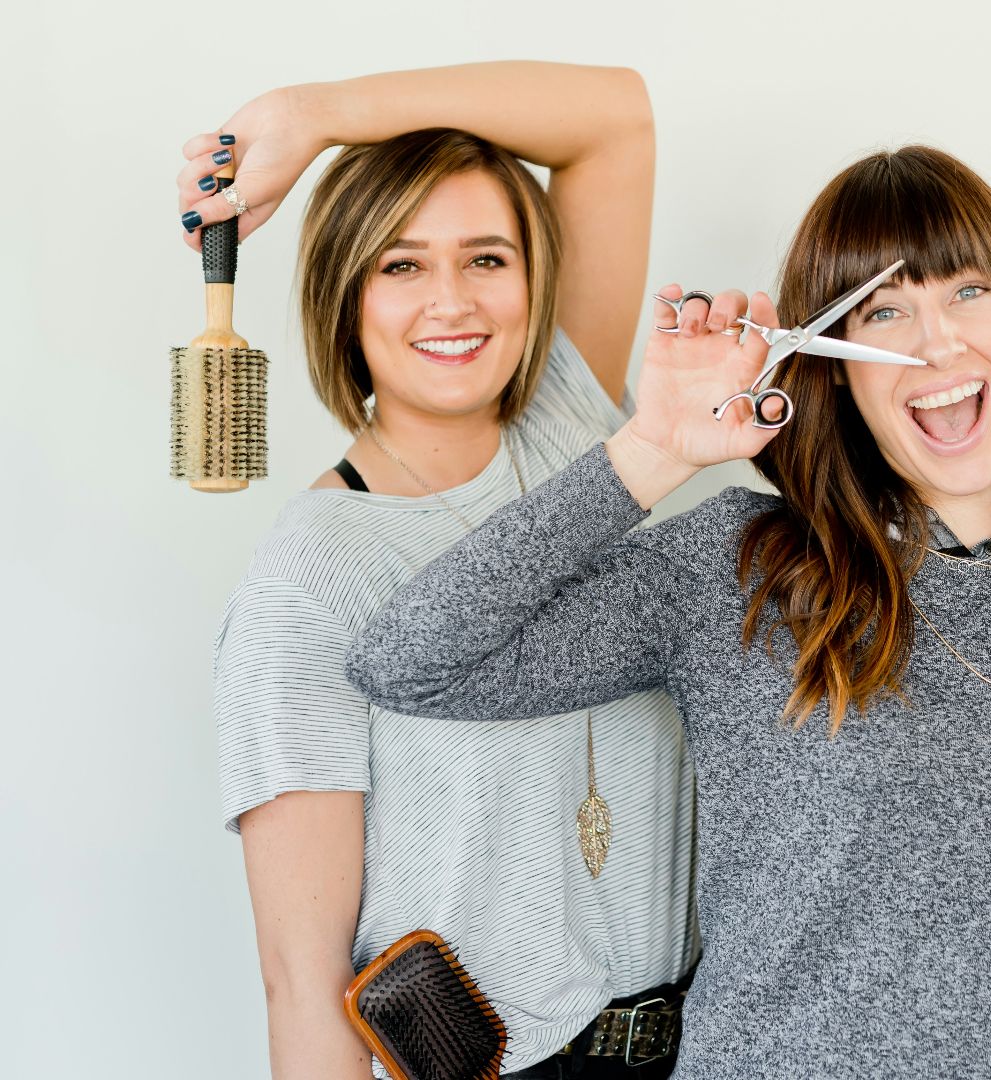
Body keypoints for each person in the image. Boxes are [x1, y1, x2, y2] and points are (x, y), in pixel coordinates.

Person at [345, 145, 991, 1079]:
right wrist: (653, 449)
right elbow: (412, 661)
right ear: (836, 367)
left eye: (969, 292)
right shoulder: (739, 570)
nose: (936, 344)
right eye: (884, 312)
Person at [197, 63, 695, 1079]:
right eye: (401, 266)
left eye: (486, 257)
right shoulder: (314, 575)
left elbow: (615, 120)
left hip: (710, 1041)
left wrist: (314, 117)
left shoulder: (570, 423)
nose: (454, 303)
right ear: (345, 292)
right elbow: (304, 980)